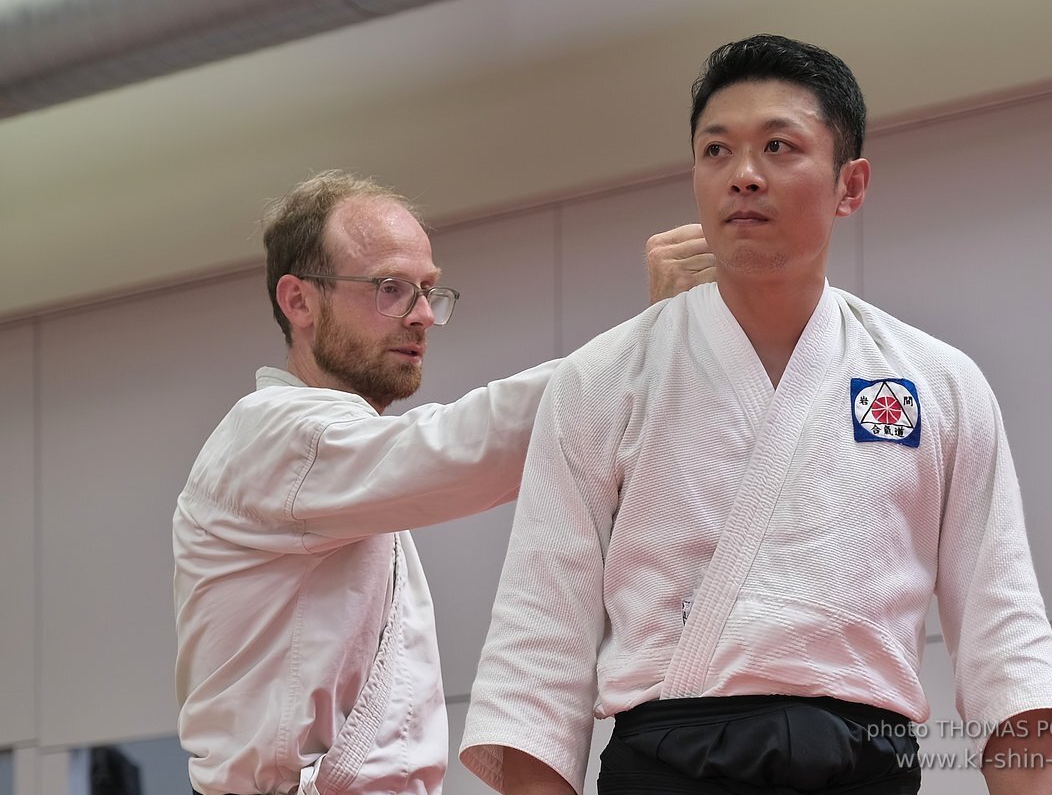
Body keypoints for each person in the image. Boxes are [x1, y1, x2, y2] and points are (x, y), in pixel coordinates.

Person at [460, 35, 1052, 795]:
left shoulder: (938, 382)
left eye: (779, 147)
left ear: (851, 185)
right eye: (716, 152)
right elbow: (538, 650)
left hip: (865, 762)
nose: (743, 176)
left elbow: (1003, 635)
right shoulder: (601, 379)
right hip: (667, 762)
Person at [172, 170, 713, 795]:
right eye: (390, 289)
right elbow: (465, 443)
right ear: (299, 301)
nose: (423, 315)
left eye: (428, 291)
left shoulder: (339, 462)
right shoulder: (272, 436)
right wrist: (646, 340)